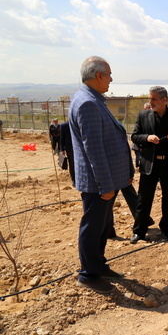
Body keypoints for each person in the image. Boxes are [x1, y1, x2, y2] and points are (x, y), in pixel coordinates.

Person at [68, 56, 133, 294]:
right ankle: (88, 273)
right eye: (109, 74)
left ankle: (98, 264)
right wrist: (106, 184)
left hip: (105, 180)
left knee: (102, 225)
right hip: (98, 183)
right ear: (98, 76)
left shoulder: (93, 99)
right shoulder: (87, 103)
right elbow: (93, 149)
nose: (111, 79)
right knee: (93, 226)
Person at [130, 86, 168, 244]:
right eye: (150, 98)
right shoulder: (143, 115)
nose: (150, 102)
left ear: (164, 100)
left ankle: (166, 229)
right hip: (150, 163)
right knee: (144, 198)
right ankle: (139, 231)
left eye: (153, 99)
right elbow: (135, 136)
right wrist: (148, 137)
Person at [59, 121, 75, 186]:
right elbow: (61, 138)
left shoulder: (79, 123)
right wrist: (62, 149)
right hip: (70, 148)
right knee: (72, 164)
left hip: (80, 147)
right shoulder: (64, 125)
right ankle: (74, 180)